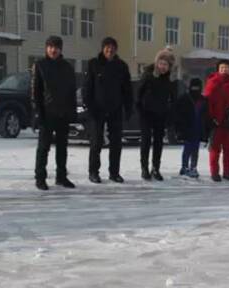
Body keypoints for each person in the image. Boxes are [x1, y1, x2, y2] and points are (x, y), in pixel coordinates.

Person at [84, 37, 133, 184]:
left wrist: (128, 108)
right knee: (96, 142)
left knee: (116, 143)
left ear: (116, 49)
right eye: (107, 47)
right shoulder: (93, 64)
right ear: (102, 48)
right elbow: (87, 89)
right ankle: (93, 172)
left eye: (112, 47)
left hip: (115, 110)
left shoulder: (122, 66)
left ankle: (114, 173)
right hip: (97, 110)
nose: (109, 50)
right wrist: (90, 107)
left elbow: (127, 90)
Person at [32, 36, 77, 191]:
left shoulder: (67, 67)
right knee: (44, 147)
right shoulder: (40, 65)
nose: (53, 50)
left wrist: (72, 112)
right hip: (47, 113)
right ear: (46, 48)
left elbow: (72, 91)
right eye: (50, 46)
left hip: (63, 113)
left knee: (62, 148)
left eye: (56, 47)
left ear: (60, 49)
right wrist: (38, 112)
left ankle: (61, 177)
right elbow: (35, 92)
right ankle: (40, 178)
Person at [137, 47, 176, 181]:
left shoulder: (169, 80)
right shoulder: (148, 75)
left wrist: (169, 113)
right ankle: (144, 168)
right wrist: (140, 109)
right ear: (156, 63)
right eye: (161, 63)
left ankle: (156, 168)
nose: (163, 67)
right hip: (147, 114)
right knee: (146, 141)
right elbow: (138, 93)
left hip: (160, 114)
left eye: (166, 65)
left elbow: (172, 98)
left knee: (158, 142)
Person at [203, 59, 229, 182]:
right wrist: (210, 118)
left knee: (228, 148)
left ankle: (227, 172)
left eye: (226, 68)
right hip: (216, 121)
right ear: (218, 69)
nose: (224, 70)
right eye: (221, 68)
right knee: (215, 149)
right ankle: (214, 172)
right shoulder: (213, 82)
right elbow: (207, 101)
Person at [174, 78, 210, 179]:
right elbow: (178, 115)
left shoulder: (203, 99)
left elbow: (206, 116)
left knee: (195, 150)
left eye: (197, 87)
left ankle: (193, 167)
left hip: (198, 128)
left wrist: (206, 131)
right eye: (193, 87)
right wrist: (179, 129)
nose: (195, 89)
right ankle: (184, 167)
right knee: (188, 148)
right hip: (187, 128)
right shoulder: (184, 98)